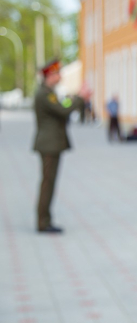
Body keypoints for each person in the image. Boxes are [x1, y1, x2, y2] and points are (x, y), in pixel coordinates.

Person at [33, 59, 91, 233]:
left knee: (49, 183)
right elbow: (63, 110)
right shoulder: (45, 94)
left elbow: (62, 105)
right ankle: (43, 222)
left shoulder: (49, 93)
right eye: (57, 73)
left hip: (52, 144)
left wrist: (75, 97)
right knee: (48, 183)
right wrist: (80, 98)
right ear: (49, 76)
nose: (60, 76)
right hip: (49, 144)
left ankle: (45, 220)